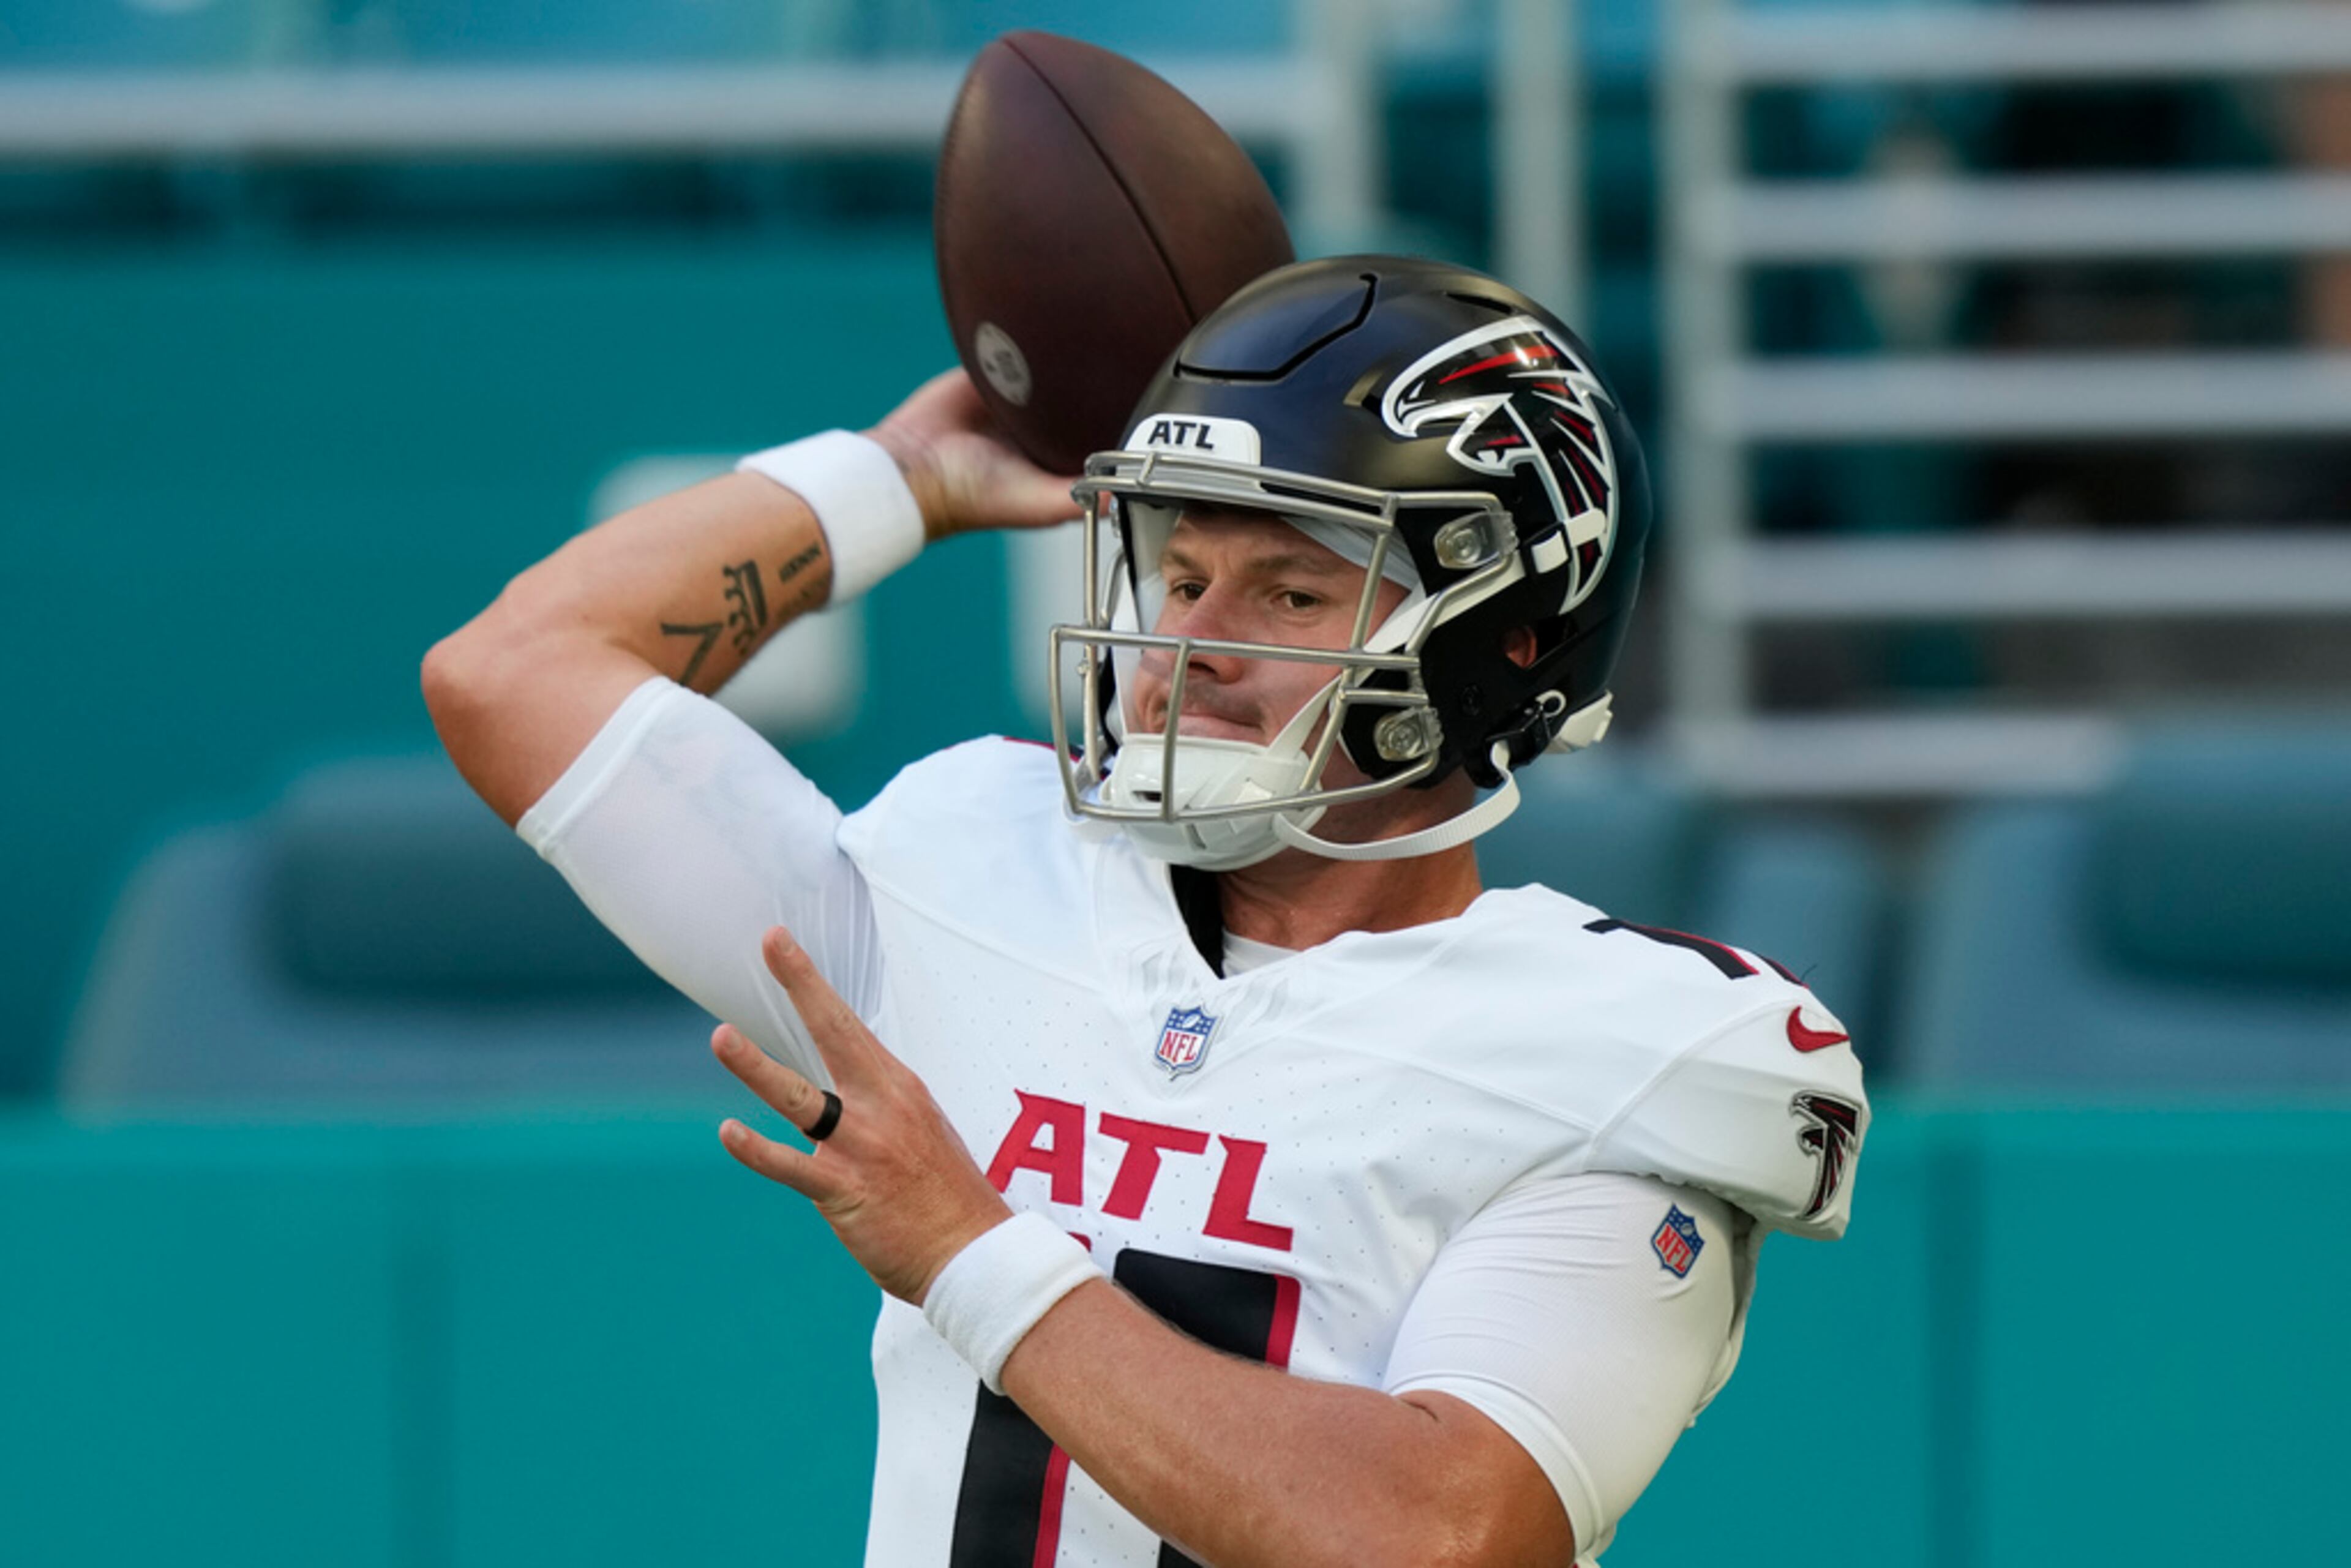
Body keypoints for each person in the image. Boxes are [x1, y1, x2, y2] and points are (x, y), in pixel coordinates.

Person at [423, 256, 1867, 1568]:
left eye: (1292, 593)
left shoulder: (1626, 1049)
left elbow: (1434, 1541)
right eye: (1180, 574)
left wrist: (972, 1250)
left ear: (1505, 642)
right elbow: (514, 672)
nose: (1186, 647)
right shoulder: (974, 866)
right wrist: (906, 478)